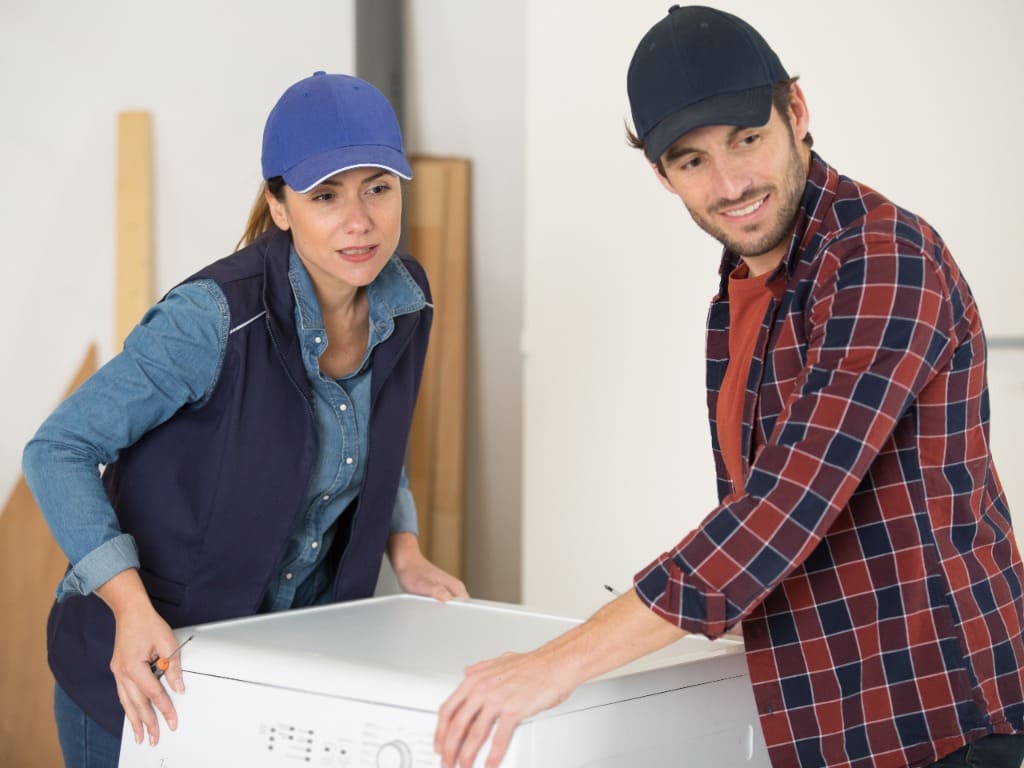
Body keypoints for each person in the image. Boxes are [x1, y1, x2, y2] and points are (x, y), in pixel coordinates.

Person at [434, 6, 1024, 768]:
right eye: (692, 162)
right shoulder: (745, 289)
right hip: (827, 721)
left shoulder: (882, 260)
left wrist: (557, 662)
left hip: (942, 719)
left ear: (798, 112)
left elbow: (784, 506)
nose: (731, 183)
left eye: (748, 139)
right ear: (661, 174)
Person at [22, 70, 468, 768]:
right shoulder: (213, 321)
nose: (360, 222)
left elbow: (379, 436)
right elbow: (58, 449)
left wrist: (403, 551)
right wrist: (130, 607)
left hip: (282, 671)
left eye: (378, 188)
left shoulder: (405, 299)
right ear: (280, 205)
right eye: (326, 196)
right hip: (145, 674)